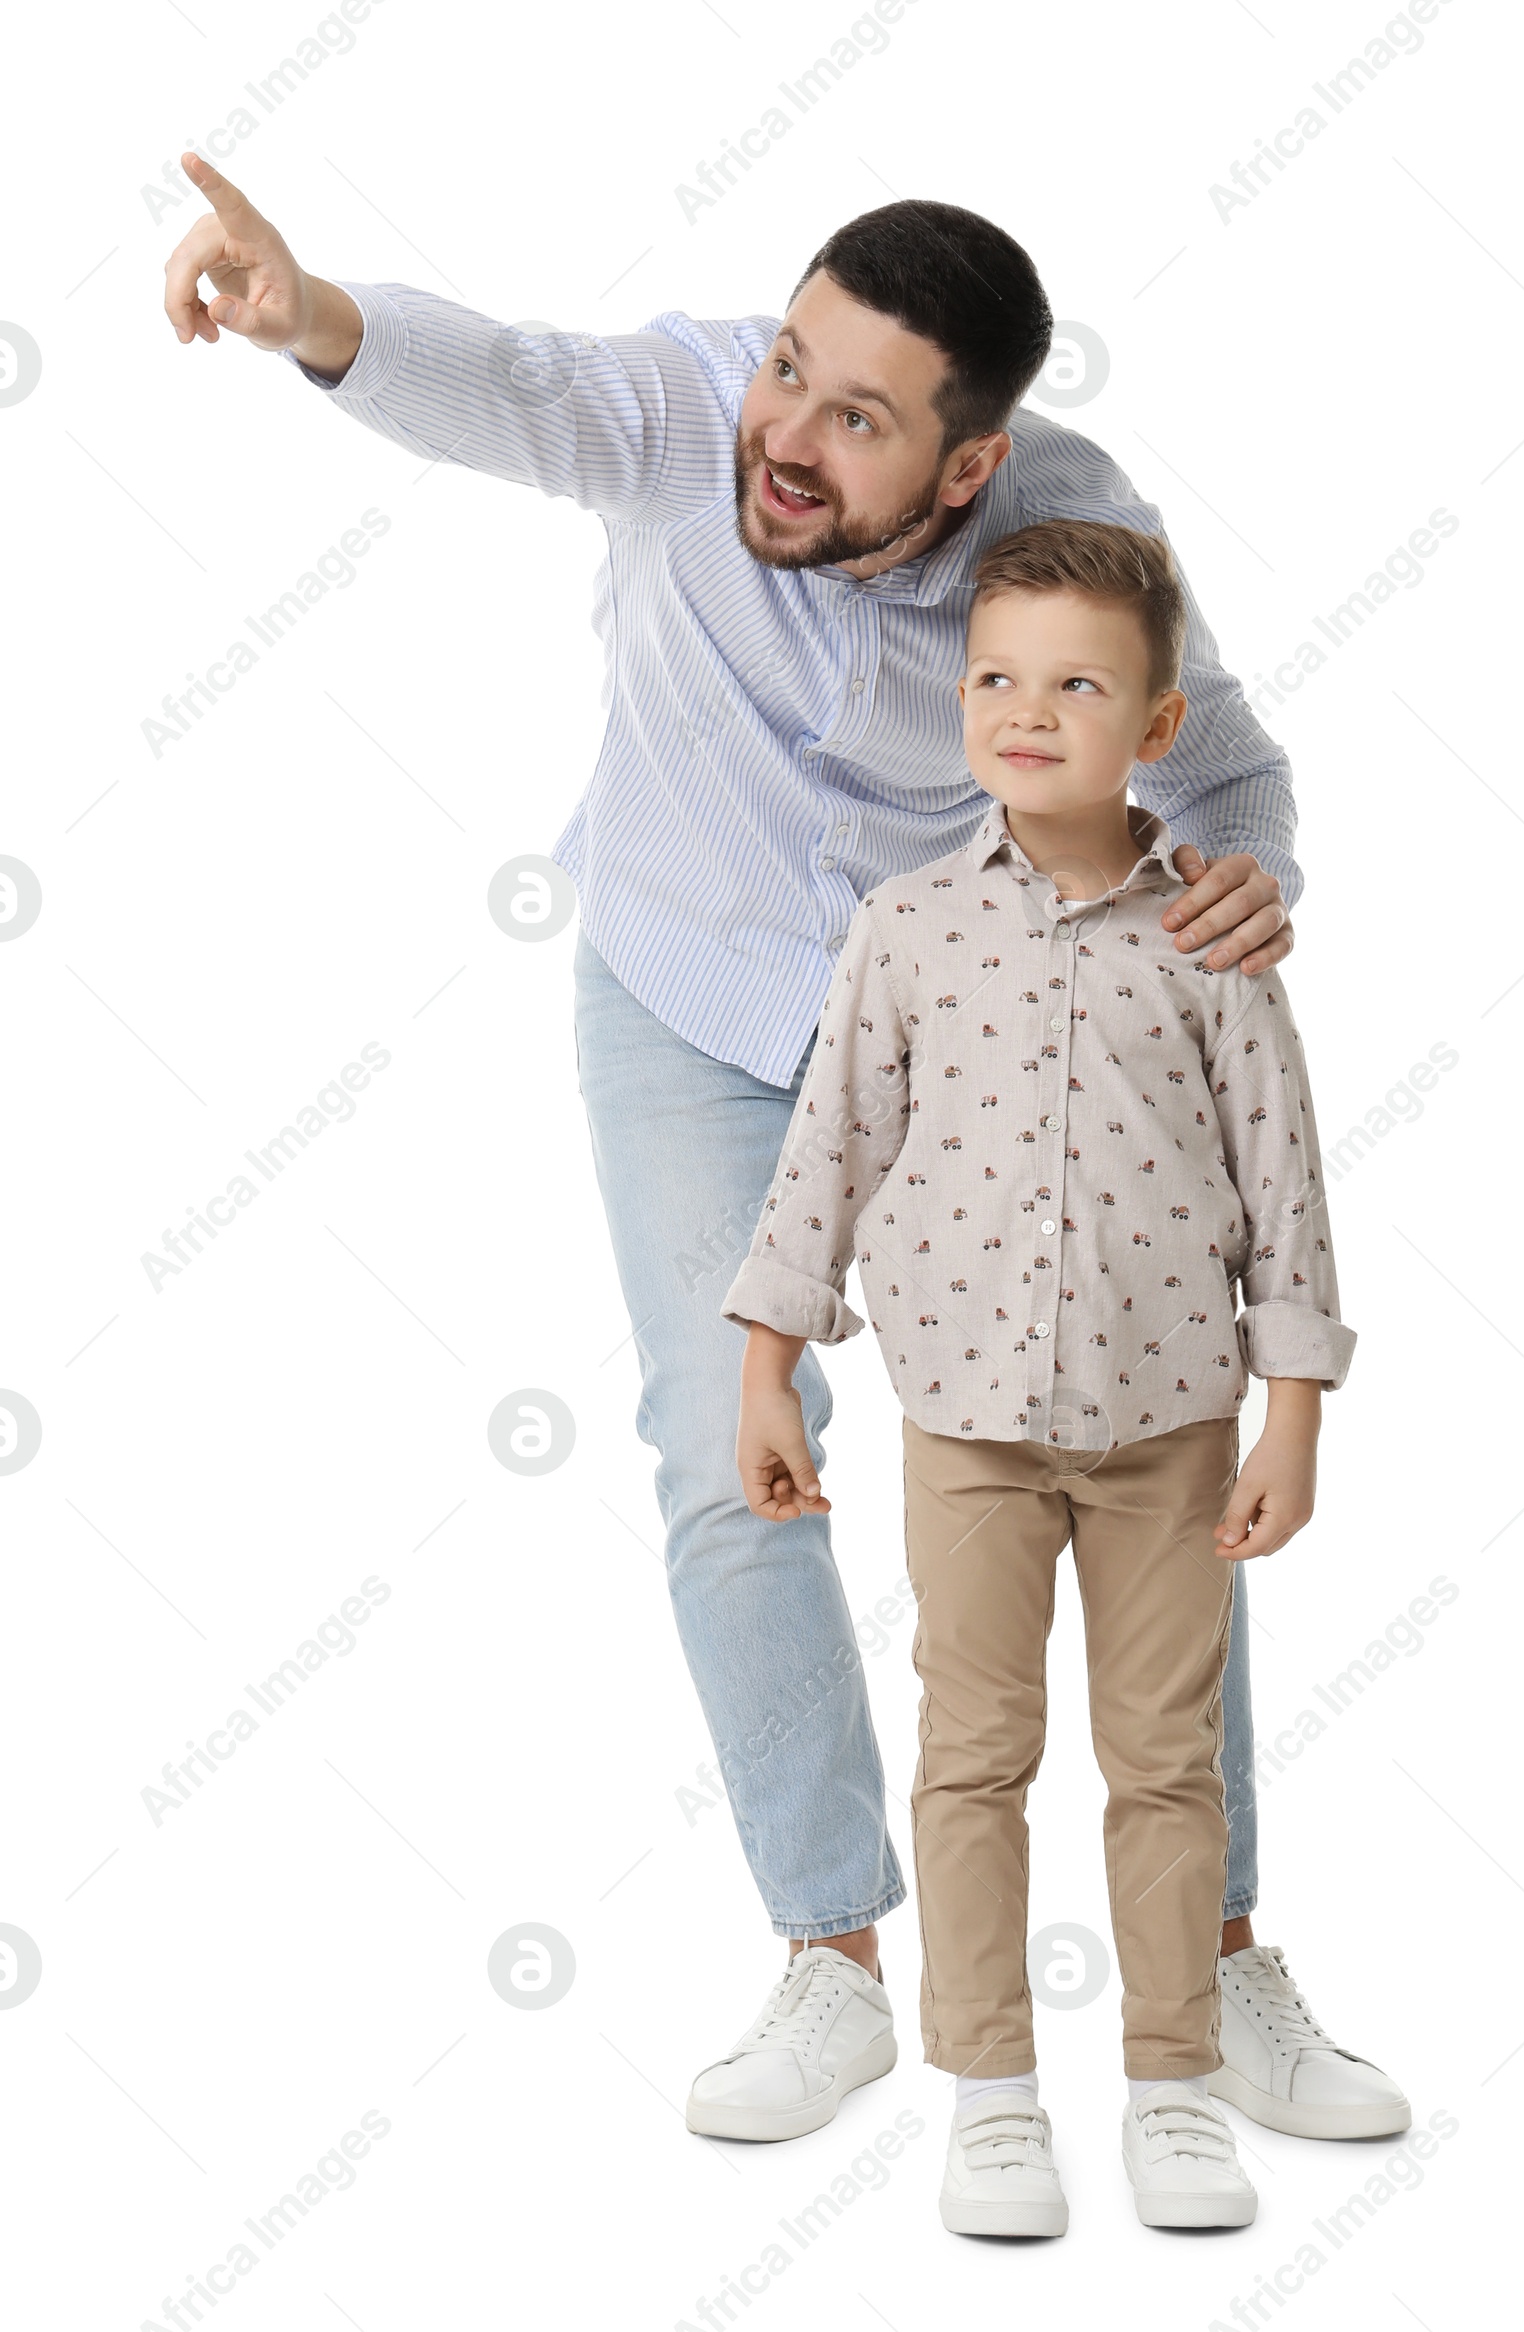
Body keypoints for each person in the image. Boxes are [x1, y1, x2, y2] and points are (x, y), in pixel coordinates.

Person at [163, 166, 1404, 2143]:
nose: (789, 434)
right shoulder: (682, 415)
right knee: (719, 1445)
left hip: (959, 1020)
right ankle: (829, 1954)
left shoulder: (1067, 529)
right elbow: (499, 378)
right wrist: (305, 306)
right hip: (681, 1004)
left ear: (969, 454)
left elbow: (1216, 754)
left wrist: (1247, 872)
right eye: (792, 370)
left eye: (858, 415)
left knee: (1124, 1434)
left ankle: (1222, 1949)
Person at [723, 516, 1366, 2229]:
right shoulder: (909, 930)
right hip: (968, 1431)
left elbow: (1285, 1180)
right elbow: (827, 1150)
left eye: (1076, 684)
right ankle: (989, 2094)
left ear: (1156, 726)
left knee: (1167, 1763)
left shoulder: (1217, 943)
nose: (1025, 712)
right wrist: (767, 1368)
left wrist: (1291, 1413)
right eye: (995, 678)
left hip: (1172, 1427)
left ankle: (1173, 2084)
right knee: (973, 1756)